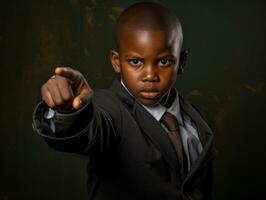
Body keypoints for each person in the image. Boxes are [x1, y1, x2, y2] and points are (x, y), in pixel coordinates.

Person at [32, 2, 216, 200]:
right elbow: (89, 128)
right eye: (136, 62)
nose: (150, 76)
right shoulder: (110, 109)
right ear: (116, 62)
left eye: (164, 61)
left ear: (181, 63)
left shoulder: (193, 118)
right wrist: (68, 112)